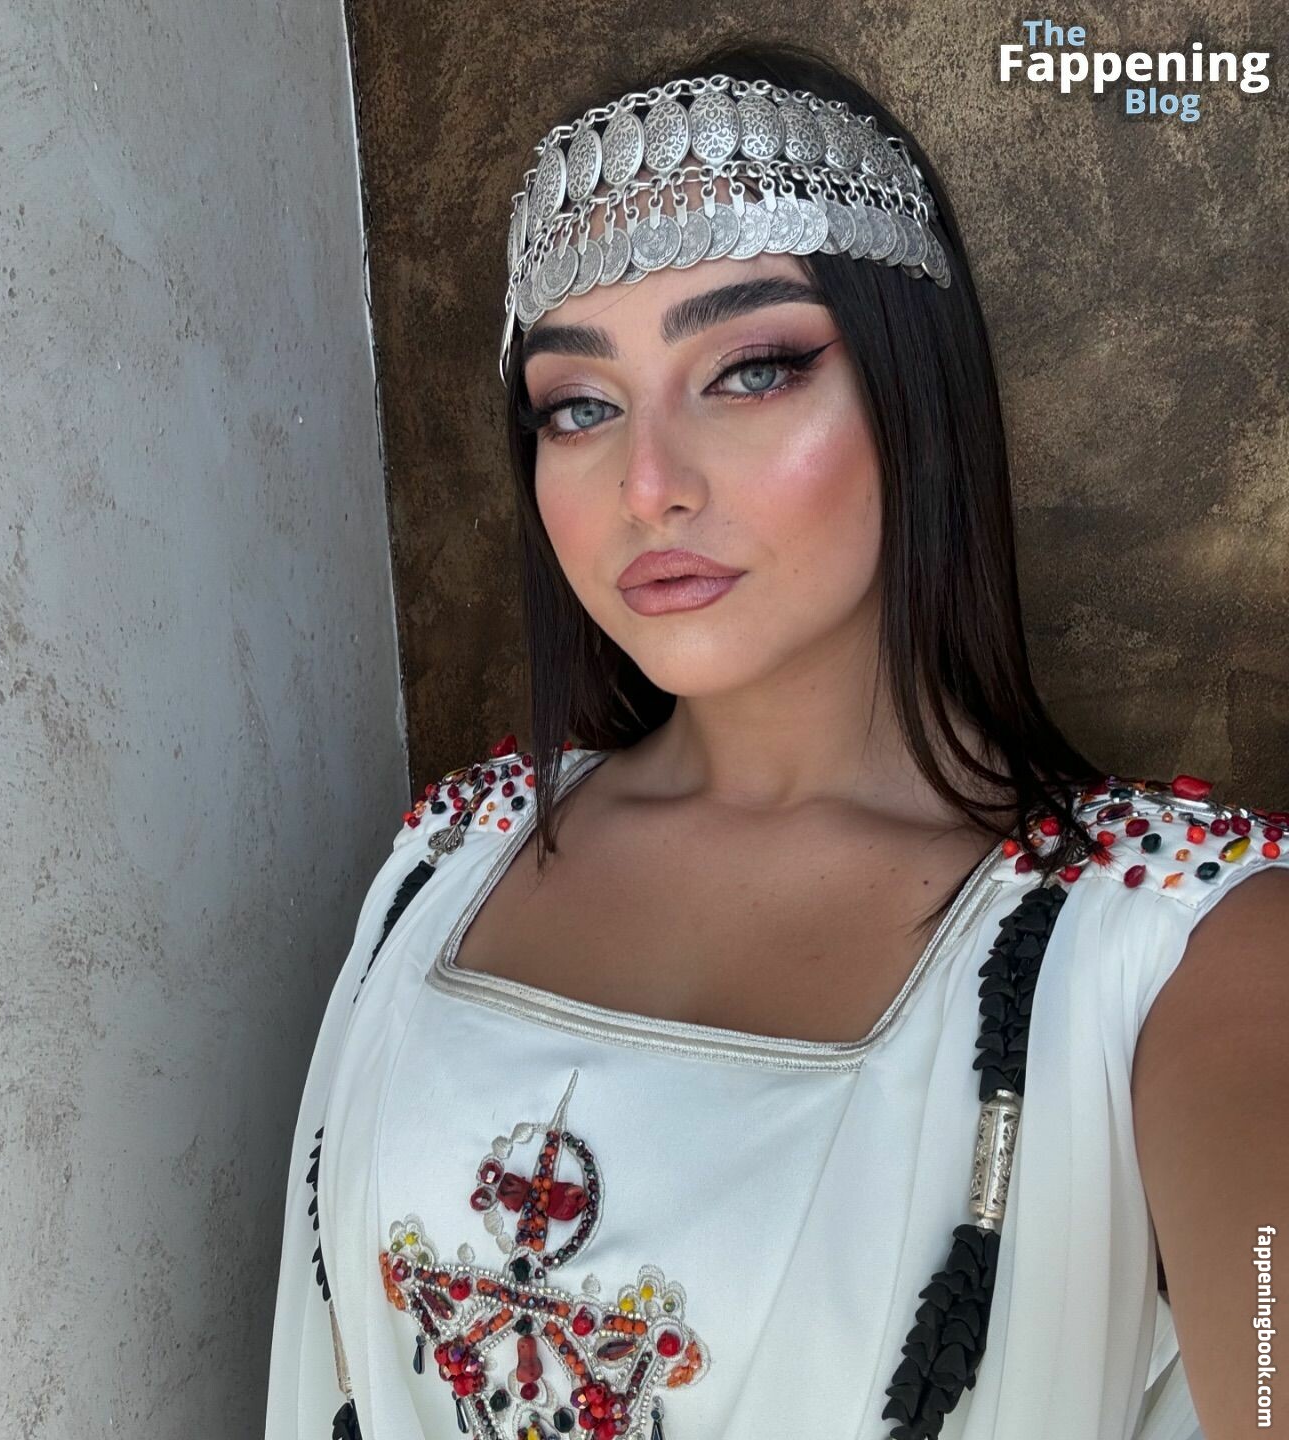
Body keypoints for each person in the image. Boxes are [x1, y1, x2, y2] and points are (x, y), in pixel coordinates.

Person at [265, 40, 1289, 1440]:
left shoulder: (1174, 942)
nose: (648, 485)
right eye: (578, 405)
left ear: (913, 398)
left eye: (749, 371)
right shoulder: (446, 860)